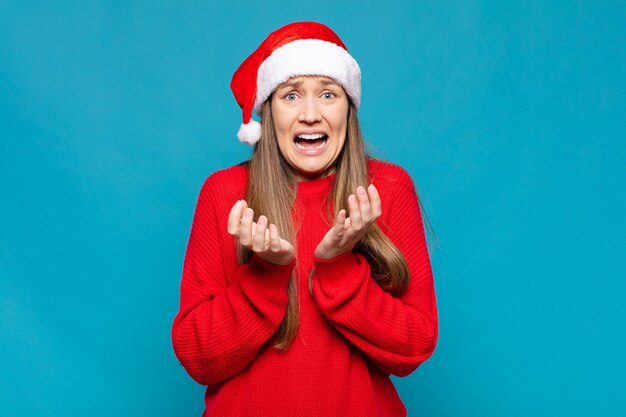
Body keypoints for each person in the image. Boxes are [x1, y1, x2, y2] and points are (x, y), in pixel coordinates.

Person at [171, 21, 438, 417]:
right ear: (268, 110)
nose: (310, 114)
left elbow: (414, 346)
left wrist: (340, 268)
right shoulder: (225, 193)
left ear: (348, 108)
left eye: (328, 94)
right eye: (291, 95)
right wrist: (265, 274)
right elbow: (198, 357)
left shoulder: (387, 189)